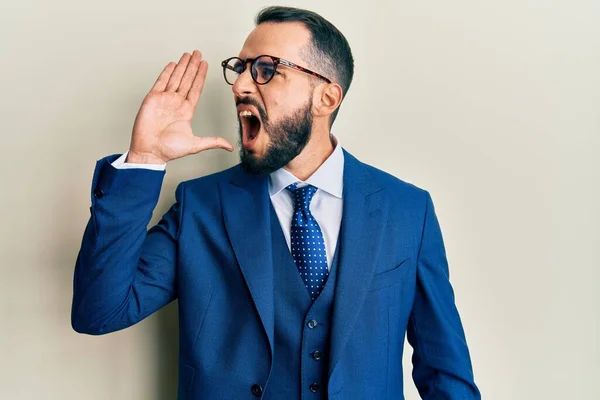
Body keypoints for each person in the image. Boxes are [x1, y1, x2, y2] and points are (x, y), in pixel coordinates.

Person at [71, 6, 481, 399]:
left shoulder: (408, 210)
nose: (241, 85)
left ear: (326, 98)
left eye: (266, 70)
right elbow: (100, 311)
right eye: (240, 69)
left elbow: (445, 372)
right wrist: (145, 160)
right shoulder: (201, 205)